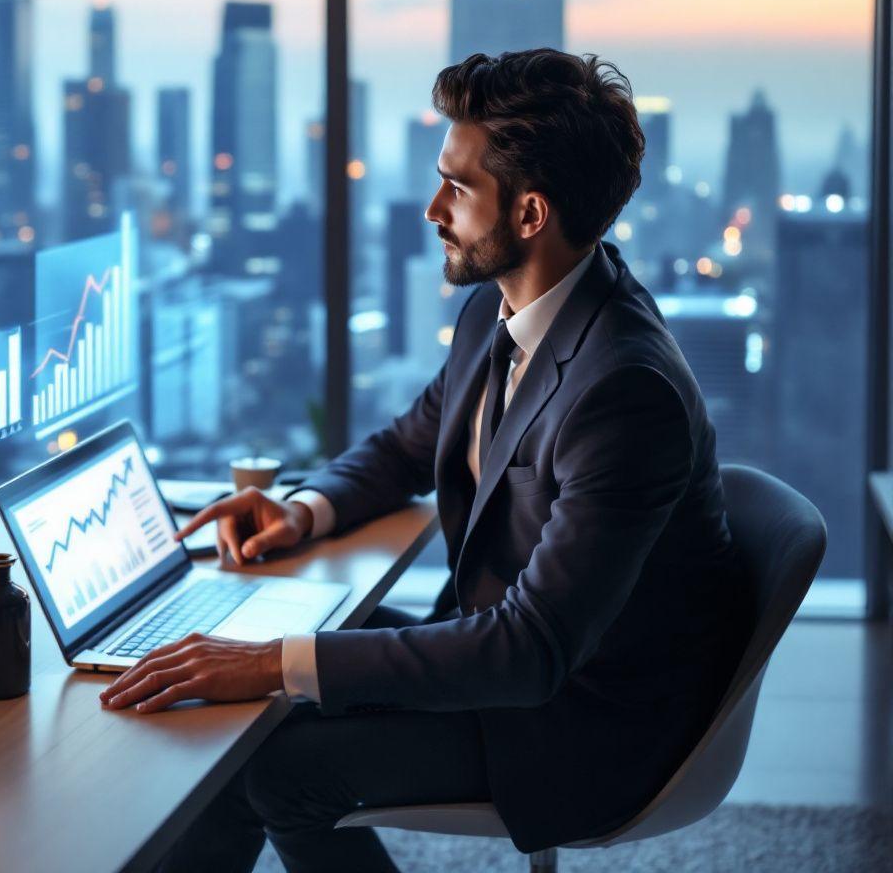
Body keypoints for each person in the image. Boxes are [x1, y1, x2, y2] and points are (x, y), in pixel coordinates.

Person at [100, 48, 749, 871]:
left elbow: (532, 649)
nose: (432, 208)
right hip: (516, 662)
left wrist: (271, 664)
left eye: (459, 187)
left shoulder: (624, 391)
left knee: (269, 763)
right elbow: (411, 442)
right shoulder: (502, 307)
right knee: (286, 677)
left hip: (582, 722)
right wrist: (304, 510)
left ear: (530, 214)